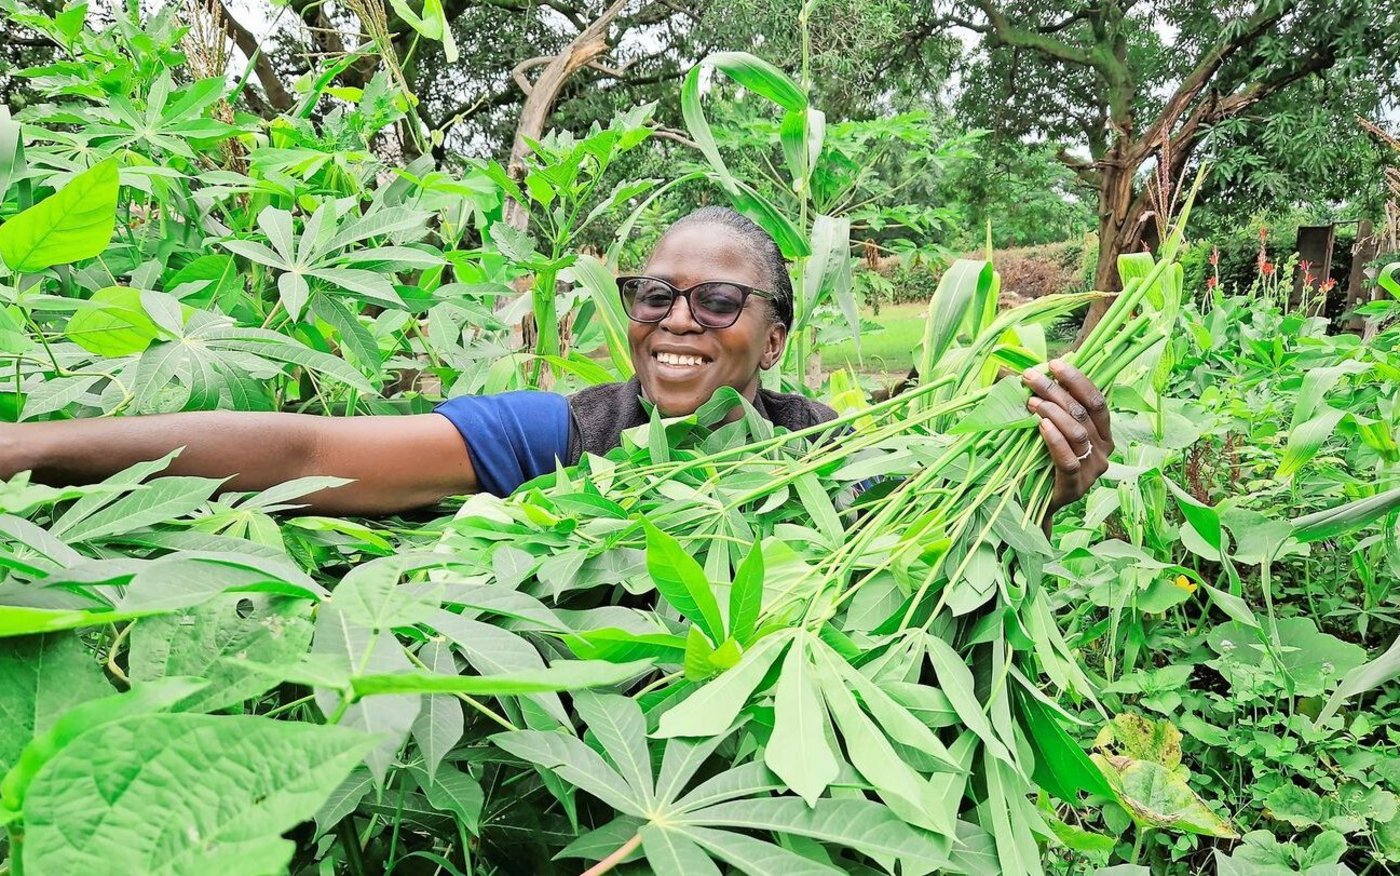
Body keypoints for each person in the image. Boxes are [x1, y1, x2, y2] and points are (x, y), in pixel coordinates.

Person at [0, 207, 1113, 517]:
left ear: (772, 336)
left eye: (718, 299)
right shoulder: (566, 432)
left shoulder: (834, 457)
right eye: (653, 294)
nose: (677, 318)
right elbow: (305, 447)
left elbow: (943, 544)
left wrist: (1046, 488)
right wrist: (29, 448)